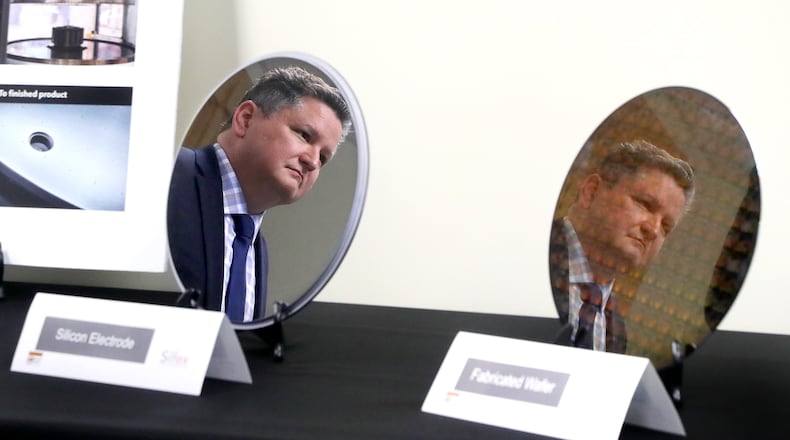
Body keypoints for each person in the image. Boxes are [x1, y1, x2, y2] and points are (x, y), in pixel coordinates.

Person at [167, 66, 352, 323]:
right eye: (304, 135)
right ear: (245, 119)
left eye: (323, 157)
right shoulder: (169, 174)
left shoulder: (257, 251)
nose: (312, 161)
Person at [550, 140, 695, 353]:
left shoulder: (617, 330)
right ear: (591, 192)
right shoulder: (533, 254)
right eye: (644, 204)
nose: (653, 230)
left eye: (666, 226)